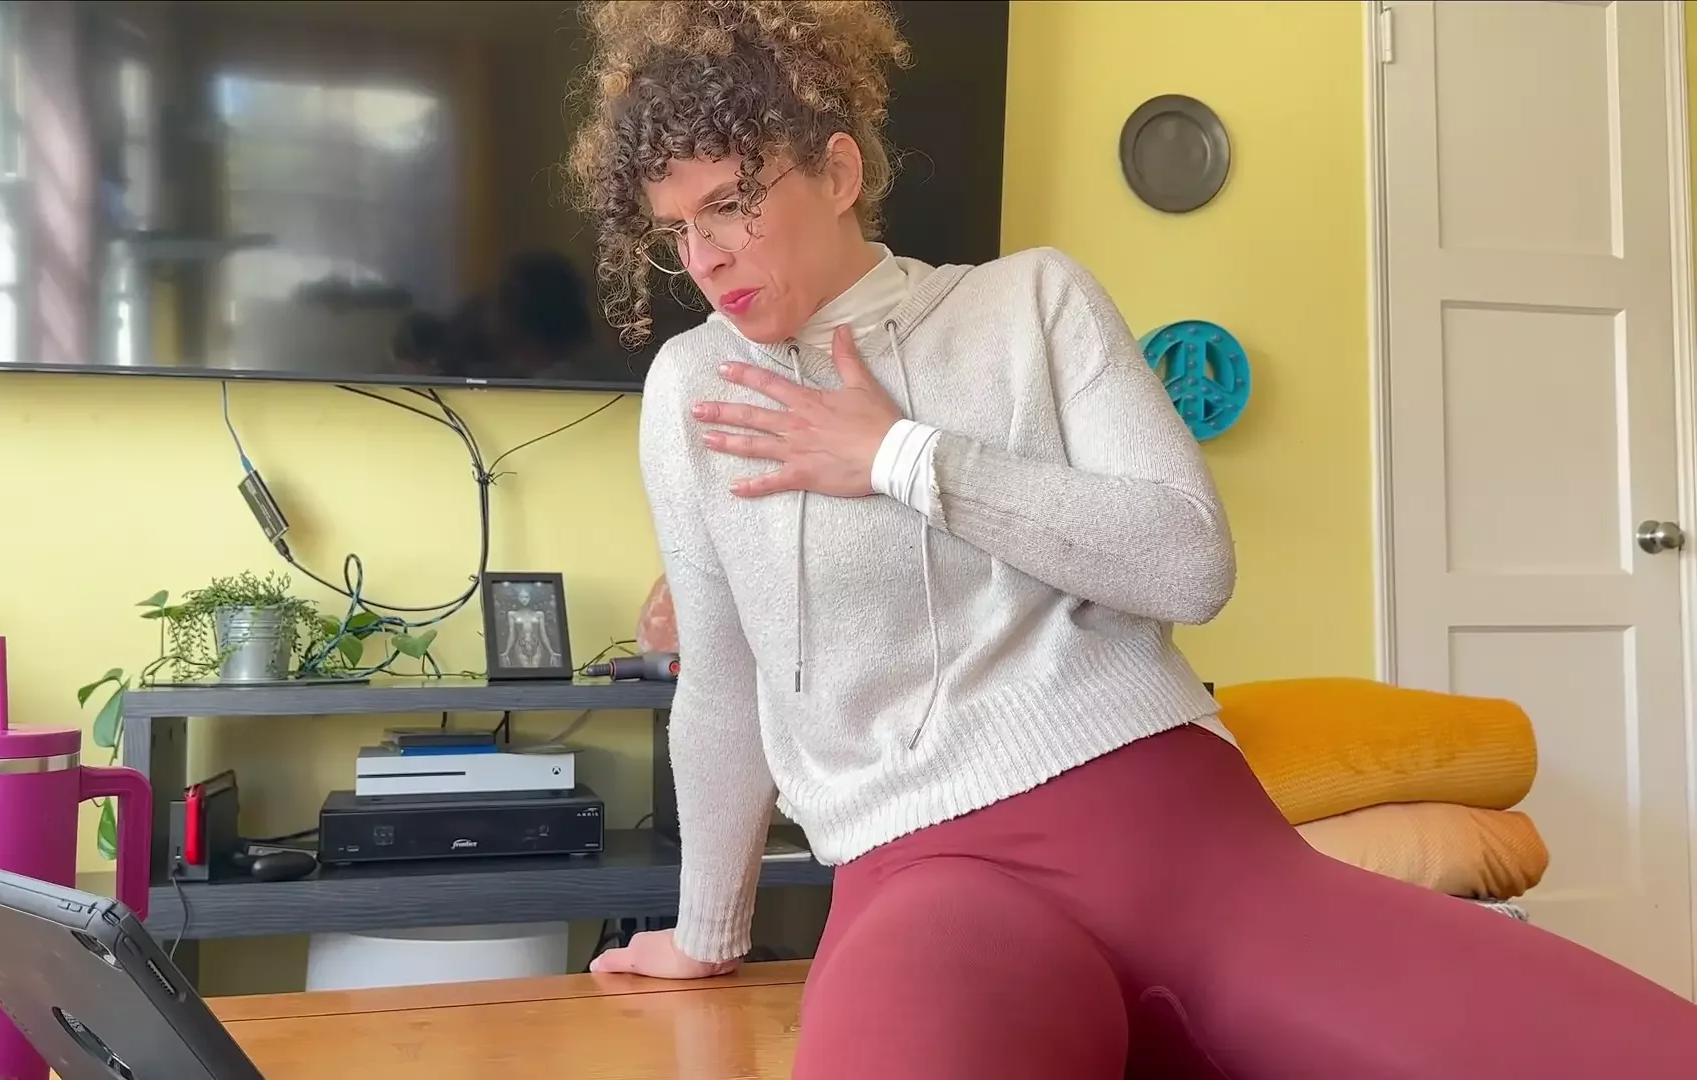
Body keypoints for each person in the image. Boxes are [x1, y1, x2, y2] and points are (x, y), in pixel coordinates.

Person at [564, 3, 1697, 1077]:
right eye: (677, 230)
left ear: (840, 171)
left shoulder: (1031, 305)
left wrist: (903, 458)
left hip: (1182, 834)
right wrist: (705, 932)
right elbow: (725, 680)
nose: (704, 258)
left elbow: (1189, 561)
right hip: (925, 877)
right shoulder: (695, 389)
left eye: (733, 205)